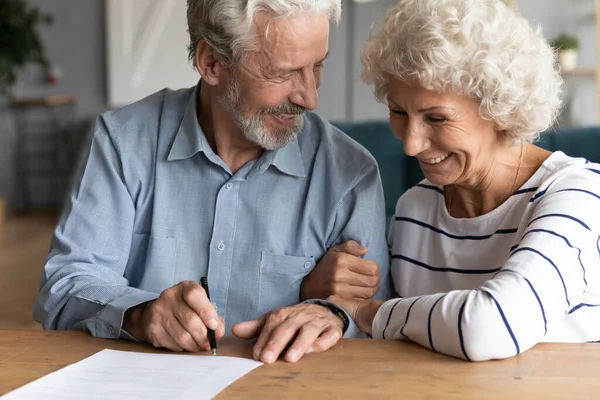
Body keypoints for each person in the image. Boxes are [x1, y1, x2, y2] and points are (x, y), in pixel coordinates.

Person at [34, 0, 393, 364]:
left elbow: (375, 321)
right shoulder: (123, 143)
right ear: (211, 63)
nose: (310, 97)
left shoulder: (351, 174)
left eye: (317, 66)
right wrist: (140, 313)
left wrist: (330, 310)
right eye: (283, 73)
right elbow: (64, 287)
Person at [331, 0, 600, 361]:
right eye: (398, 112)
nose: (411, 143)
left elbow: (492, 327)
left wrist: (365, 312)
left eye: (437, 118)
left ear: (500, 109)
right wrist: (331, 291)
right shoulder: (416, 208)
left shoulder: (577, 194)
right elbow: (401, 335)